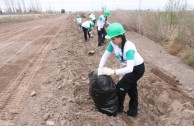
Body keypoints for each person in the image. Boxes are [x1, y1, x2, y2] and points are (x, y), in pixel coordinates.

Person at [97, 23, 145, 117]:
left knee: (120, 88)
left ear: (120, 37)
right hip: (127, 68)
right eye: (111, 39)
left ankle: (118, 109)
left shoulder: (129, 47)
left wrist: (113, 71)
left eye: (113, 39)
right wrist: (100, 68)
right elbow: (105, 56)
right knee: (131, 88)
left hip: (136, 69)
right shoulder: (113, 44)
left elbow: (130, 68)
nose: (112, 41)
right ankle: (133, 111)